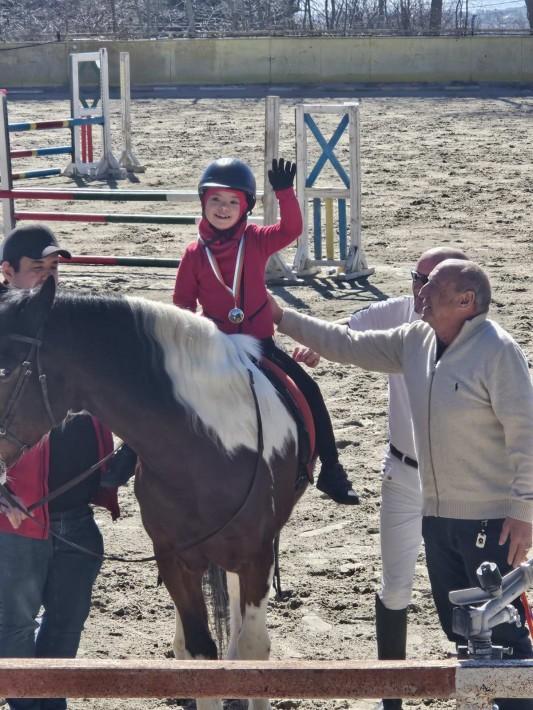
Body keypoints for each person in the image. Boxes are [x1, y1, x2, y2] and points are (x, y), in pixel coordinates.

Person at [269, 259, 533, 710]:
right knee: (461, 629)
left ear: (466, 301)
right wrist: (281, 317)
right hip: (437, 516)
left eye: (431, 286)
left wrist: (525, 512)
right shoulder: (416, 340)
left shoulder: (497, 351)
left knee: (504, 634)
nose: (420, 292)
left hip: (491, 520)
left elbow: (527, 433)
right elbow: (346, 344)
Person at [294, 246, 468, 710]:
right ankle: (391, 696)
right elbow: (346, 332)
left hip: (462, 484)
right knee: (395, 585)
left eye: (433, 283)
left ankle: (481, 685)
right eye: (417, 279)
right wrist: (314, 346)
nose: (422, 291)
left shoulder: (480, 337)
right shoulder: (398, 313)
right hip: (405, 474)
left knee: (466, 588)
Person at [170, 156, 358, 505]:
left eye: (232, 202)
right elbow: (182, 307)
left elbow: (292, 230)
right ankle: (131, 457)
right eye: (215, 200)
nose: (223, 209)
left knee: (310, 389)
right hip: (217, 347)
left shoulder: (256, 240)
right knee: (167, 393)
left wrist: (285, 193)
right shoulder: (193, 254)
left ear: (244, 208)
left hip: (260, 345)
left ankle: (332, 468)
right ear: (202, 203)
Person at [0, 223, 120, 710]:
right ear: (6, 273)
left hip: (76, 511)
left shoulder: (70, 330)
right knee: (14, 626)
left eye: (54, 271)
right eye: (37, 271)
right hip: (16, 519)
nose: (49, 282)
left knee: (67, 625)